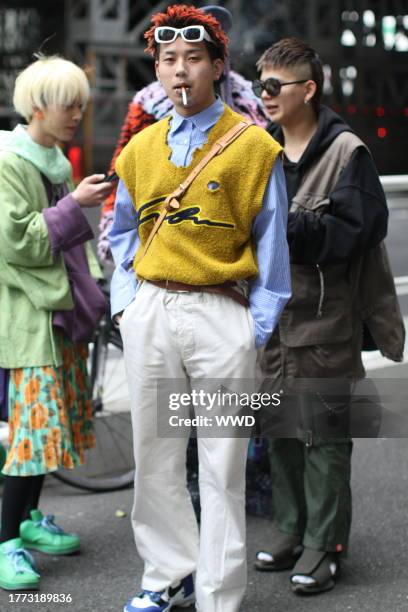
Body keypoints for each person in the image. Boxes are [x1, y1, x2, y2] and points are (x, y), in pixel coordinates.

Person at [108, 5, 291, 612]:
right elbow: (123, 233)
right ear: (155, 69)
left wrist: (253, 328)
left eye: (193, 59)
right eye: (167, 60)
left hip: (221, 311)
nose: (180, 71)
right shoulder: (139, 150)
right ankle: (165, 575)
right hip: (153, 310)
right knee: (155, 459)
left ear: (218, 66)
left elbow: (272, 244)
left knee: (222, 465)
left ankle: (218, 594)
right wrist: (127, 306)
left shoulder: (254, 146)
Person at [252, 38, 405, 595]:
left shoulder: (347, 152)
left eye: (274, 86)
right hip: (270, 326)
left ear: (308, 89)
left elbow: (362, 230)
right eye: (259, 85)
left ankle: (326, 546)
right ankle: (293, 531)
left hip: (323, 325)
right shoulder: (260, 149)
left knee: (325, 441)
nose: (264, 95)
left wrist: (290, 226)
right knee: (281, 436)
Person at [0, 55, 114, 591]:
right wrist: (78, 207)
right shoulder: (9, 160)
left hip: (59, 312)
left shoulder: (54, 160)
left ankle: (26, 521)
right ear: (38, 107)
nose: (77, 115)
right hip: (29, 317)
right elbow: (15, 241)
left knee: (48, 432)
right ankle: (6, 542)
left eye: (80, 106)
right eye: (69, 106)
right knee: (31, 435)